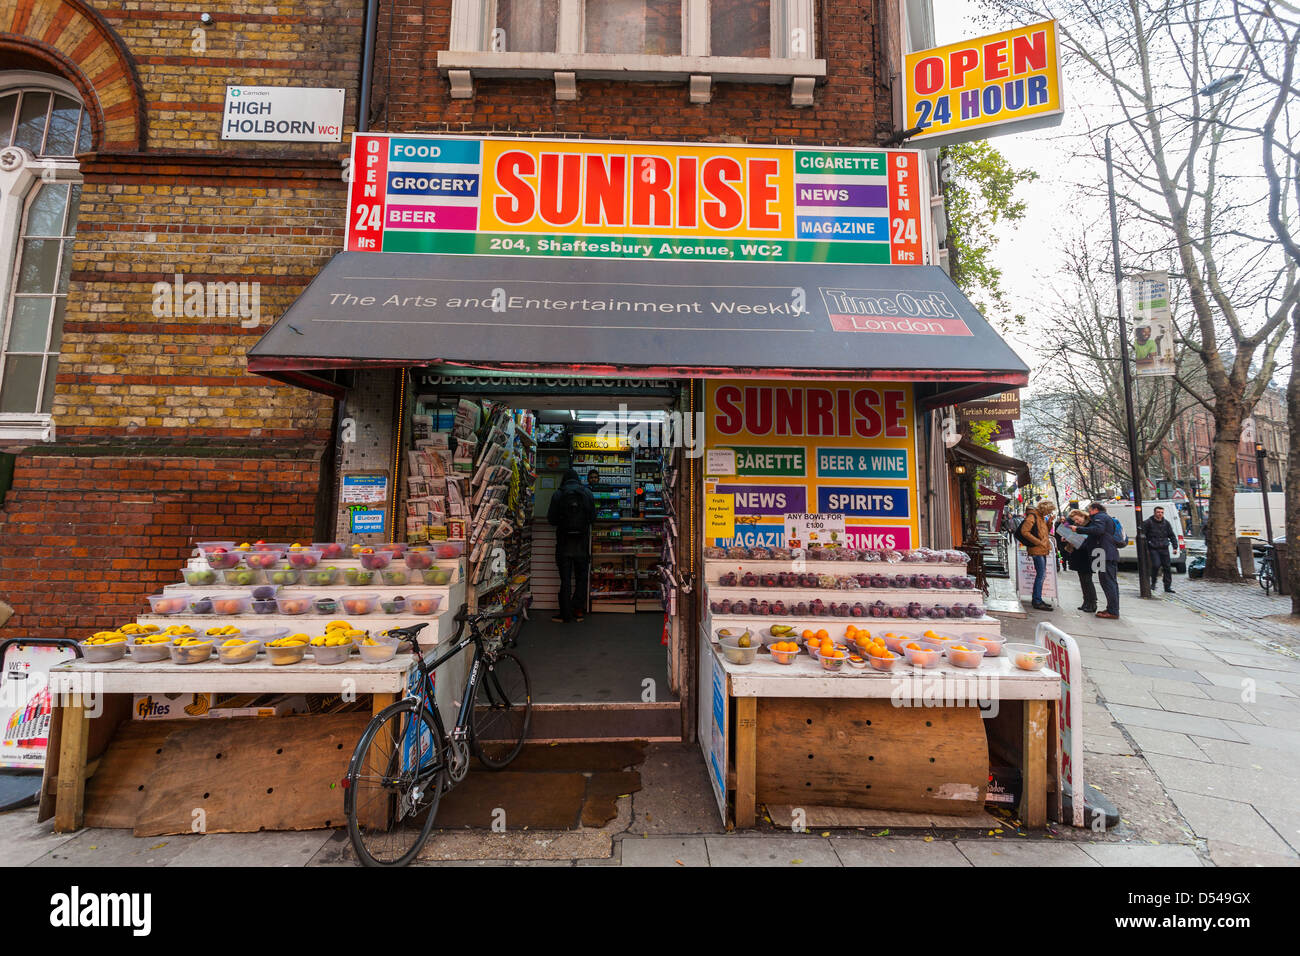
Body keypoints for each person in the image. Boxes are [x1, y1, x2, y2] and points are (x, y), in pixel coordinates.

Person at [547, 467, 596, 624]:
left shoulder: (558, 494)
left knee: (565, 579)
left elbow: (552, 520)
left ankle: (565, 614)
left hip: (564, 543)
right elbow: (593, 518)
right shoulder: (587, 493)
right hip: (582, 542)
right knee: (581, 578)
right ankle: (578, 611)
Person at [1076, 502, 1121, 619]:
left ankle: (1113, 611)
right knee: (1109, 582)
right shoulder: (1104, 517)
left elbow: (1098, 530)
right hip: (1104, 553)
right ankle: (1112, 608)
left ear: (1095, 509)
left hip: (1103, 553)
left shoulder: (1099, 517)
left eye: (1089, 510)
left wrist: (1078, 529)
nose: (1089, 512)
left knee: (1107, 582)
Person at [1019, 500, 1056, 610]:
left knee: (1042, 575)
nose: (1049, 513)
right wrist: (1037, 542)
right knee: (1041, 575)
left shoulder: (1040, 517)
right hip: (1037, 549)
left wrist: (1049, 522)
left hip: (1042, 549)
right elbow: (1024, 532)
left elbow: (1045, 533)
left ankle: (1037, 598)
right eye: (1048, 511)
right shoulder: (1033, 516)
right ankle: (1037, 600)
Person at [1065, 509, 1098, 613]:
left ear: (1081, 515)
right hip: (1079, 555)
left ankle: (1092, 603)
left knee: (1087, 580)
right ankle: (1086, 602)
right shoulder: (1078, 526)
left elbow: (1089, 540)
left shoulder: (1089, 525)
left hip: (1087, 555)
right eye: (1074, 520)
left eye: (1077, 519)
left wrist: (1075, 539)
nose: (1076, 521)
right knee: (1082, 580)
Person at [1143, 505, 1177, 594]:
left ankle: (1167, 586)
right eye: (1158, 512)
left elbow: (1172, 535)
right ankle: (1153, 582)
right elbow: (1143, 536)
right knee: (1156, 565)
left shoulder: (1166, 523)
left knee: (1167, 567)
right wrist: (1147, 546)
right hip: (1153, 548)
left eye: (1161, 512)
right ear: (1154, 513)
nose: (1160, 514)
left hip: (1164, 547)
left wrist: (1175, 547)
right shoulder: (1148, 522)